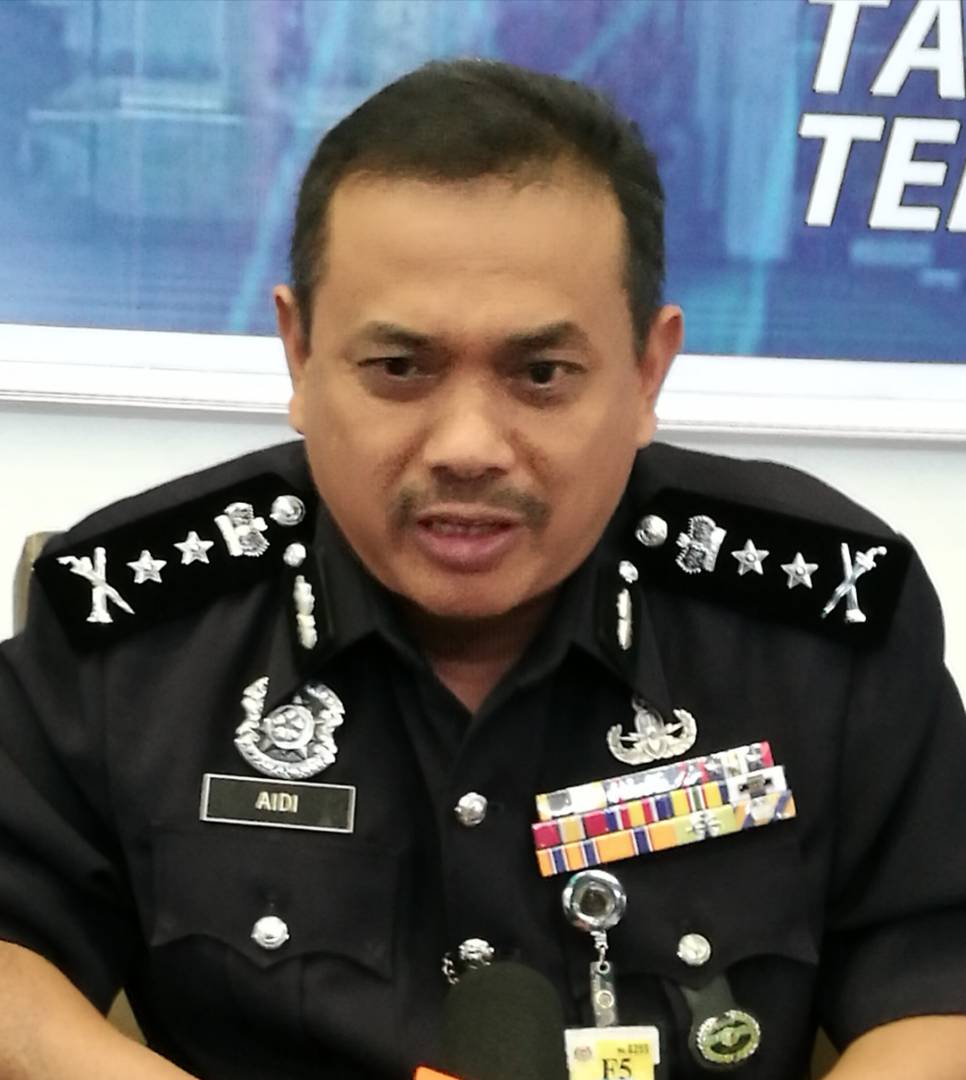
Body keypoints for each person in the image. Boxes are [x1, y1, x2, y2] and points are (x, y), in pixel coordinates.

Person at [1, 58, 965, 1080]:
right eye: (399, 369)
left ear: (648, 372)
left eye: (541, 374)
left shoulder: (818, 619)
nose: (468, 446)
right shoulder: (132, 619)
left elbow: (941, 993)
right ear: (300, 355)